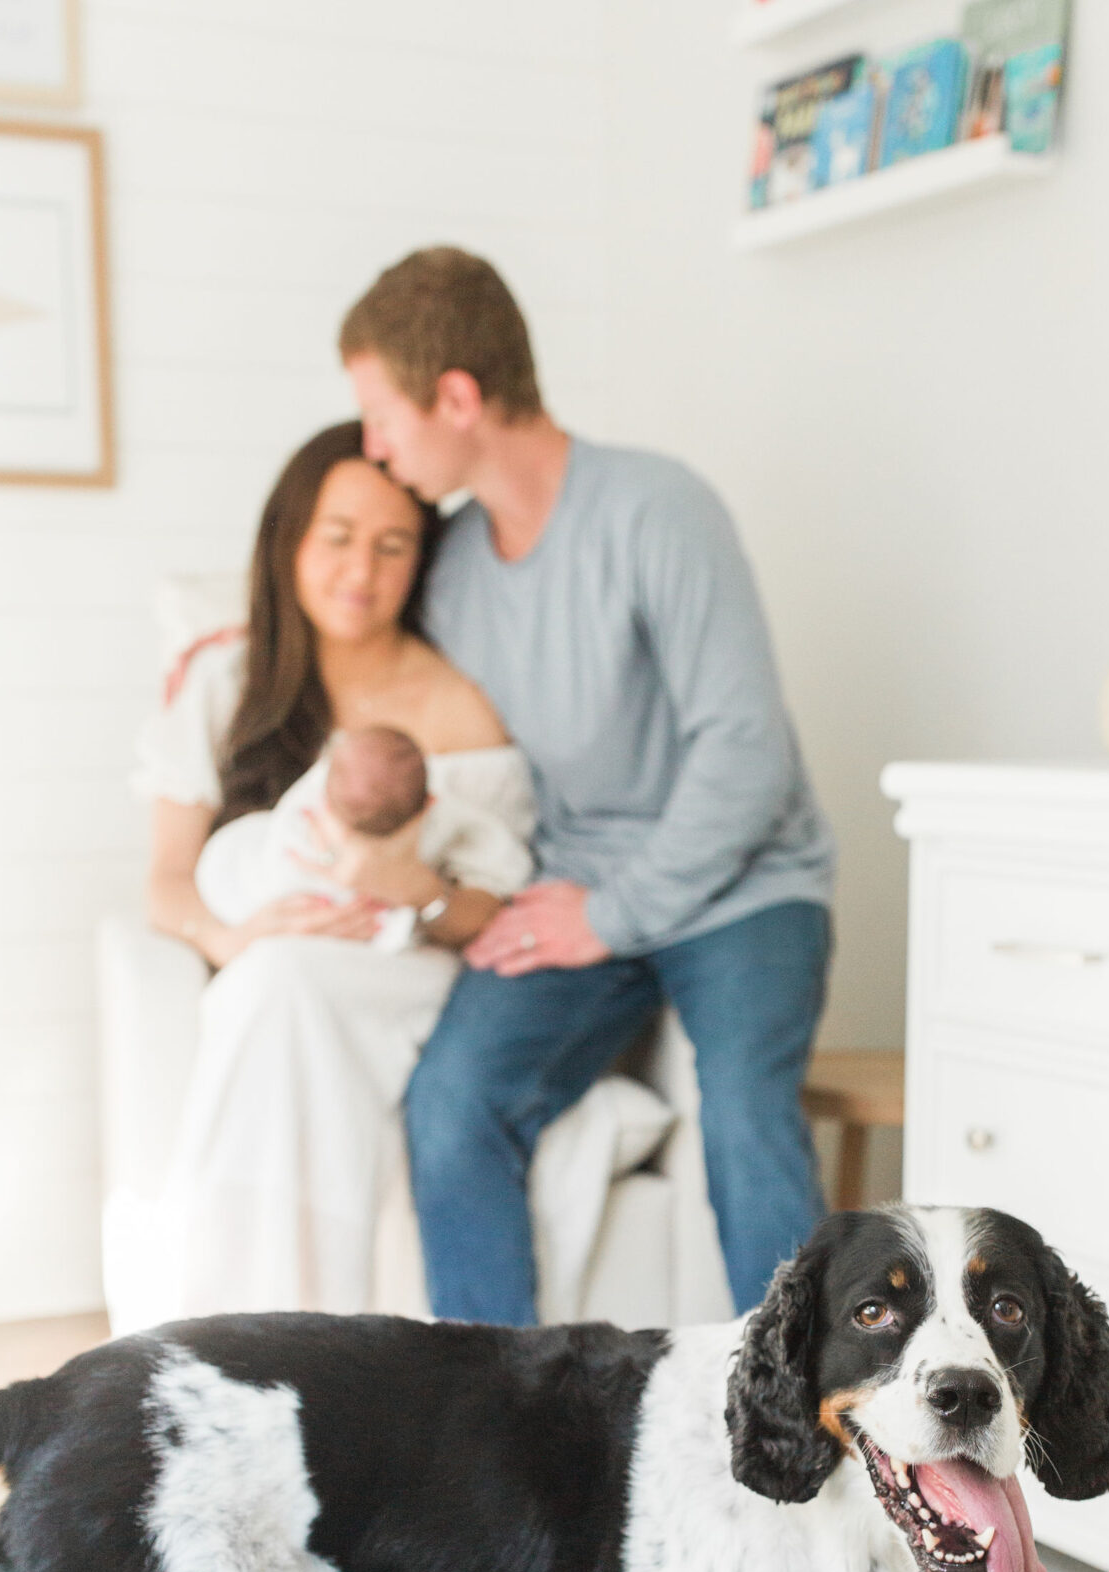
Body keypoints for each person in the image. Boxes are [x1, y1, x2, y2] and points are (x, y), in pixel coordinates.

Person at [339, 246, 836, 1326]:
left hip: (747, 885)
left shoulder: (659, 510)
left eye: (383, 413)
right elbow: (365, 662)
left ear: (458, 397)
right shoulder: (456, 565)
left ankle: (815, 1447)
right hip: (579, 891)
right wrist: (236, 655)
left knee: (744, 1115)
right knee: (454, 1101)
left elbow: (745, 755)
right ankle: (495, 1438)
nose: (375, 446)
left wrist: (612, 916)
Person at [135, 420, 535, 1319]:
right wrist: (230, 936)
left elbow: (488, 907)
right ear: (290, 541)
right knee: (270, 979)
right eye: (339, 538)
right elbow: (166, 879)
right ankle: (242, 1325)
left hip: (404, 974)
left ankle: (274, 1335)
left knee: (282, 987)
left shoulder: (456, 705)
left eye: (392, 546)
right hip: (270, 962)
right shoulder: (225, 677)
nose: (362, 572)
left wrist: (413, 890)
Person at [195, 722, 532, 955]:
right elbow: (497, 852)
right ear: (428, 802)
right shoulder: (304, 821)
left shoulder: (329, 792)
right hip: (265, 891)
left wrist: (412, 889)